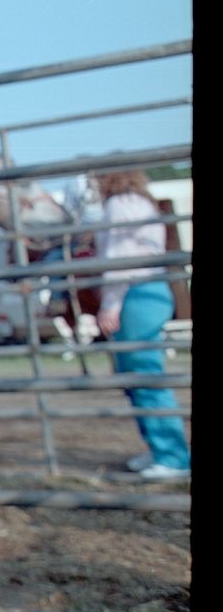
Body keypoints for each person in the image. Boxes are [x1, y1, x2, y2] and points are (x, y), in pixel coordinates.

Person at [92, 169, 191, 480]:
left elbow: (120, 259)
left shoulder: (119, 205)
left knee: (144, 375)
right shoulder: (143, 204)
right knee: (137, 376)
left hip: (134, 293)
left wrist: (110, 304)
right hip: (149, 291)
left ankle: (173, 457)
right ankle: (159, 448)